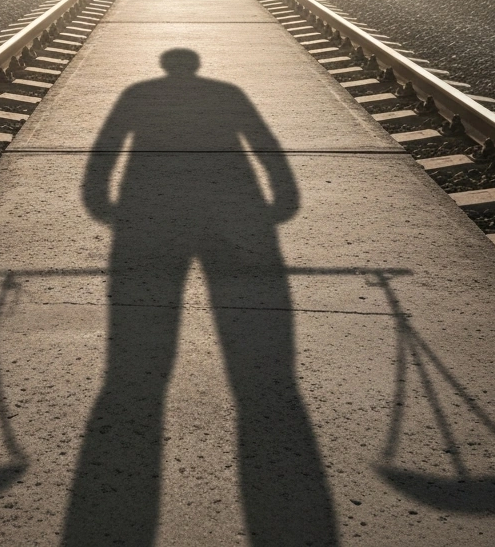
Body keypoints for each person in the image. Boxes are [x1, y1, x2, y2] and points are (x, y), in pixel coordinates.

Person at [67, 48, 336, 545]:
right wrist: (283, 200)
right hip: (234, 209)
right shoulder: (226, 94)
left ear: (169, 65)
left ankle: (120, 489)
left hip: (147, 212)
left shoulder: (139, 93)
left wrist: (100, 202)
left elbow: (106, 148)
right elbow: (264, 144)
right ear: (192, 65)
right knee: (255, 344)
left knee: (140, 337)